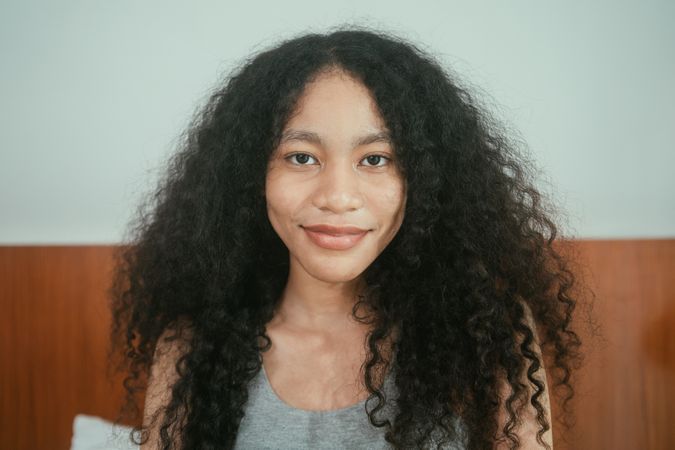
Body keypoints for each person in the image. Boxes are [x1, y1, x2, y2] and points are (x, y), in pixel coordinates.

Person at [109, 27, 582, 450]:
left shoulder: (485, 333)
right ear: (249, 175)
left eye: (375, 159)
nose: (337, 196)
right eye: (301, 157)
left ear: (427, 180)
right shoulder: (192, 343)